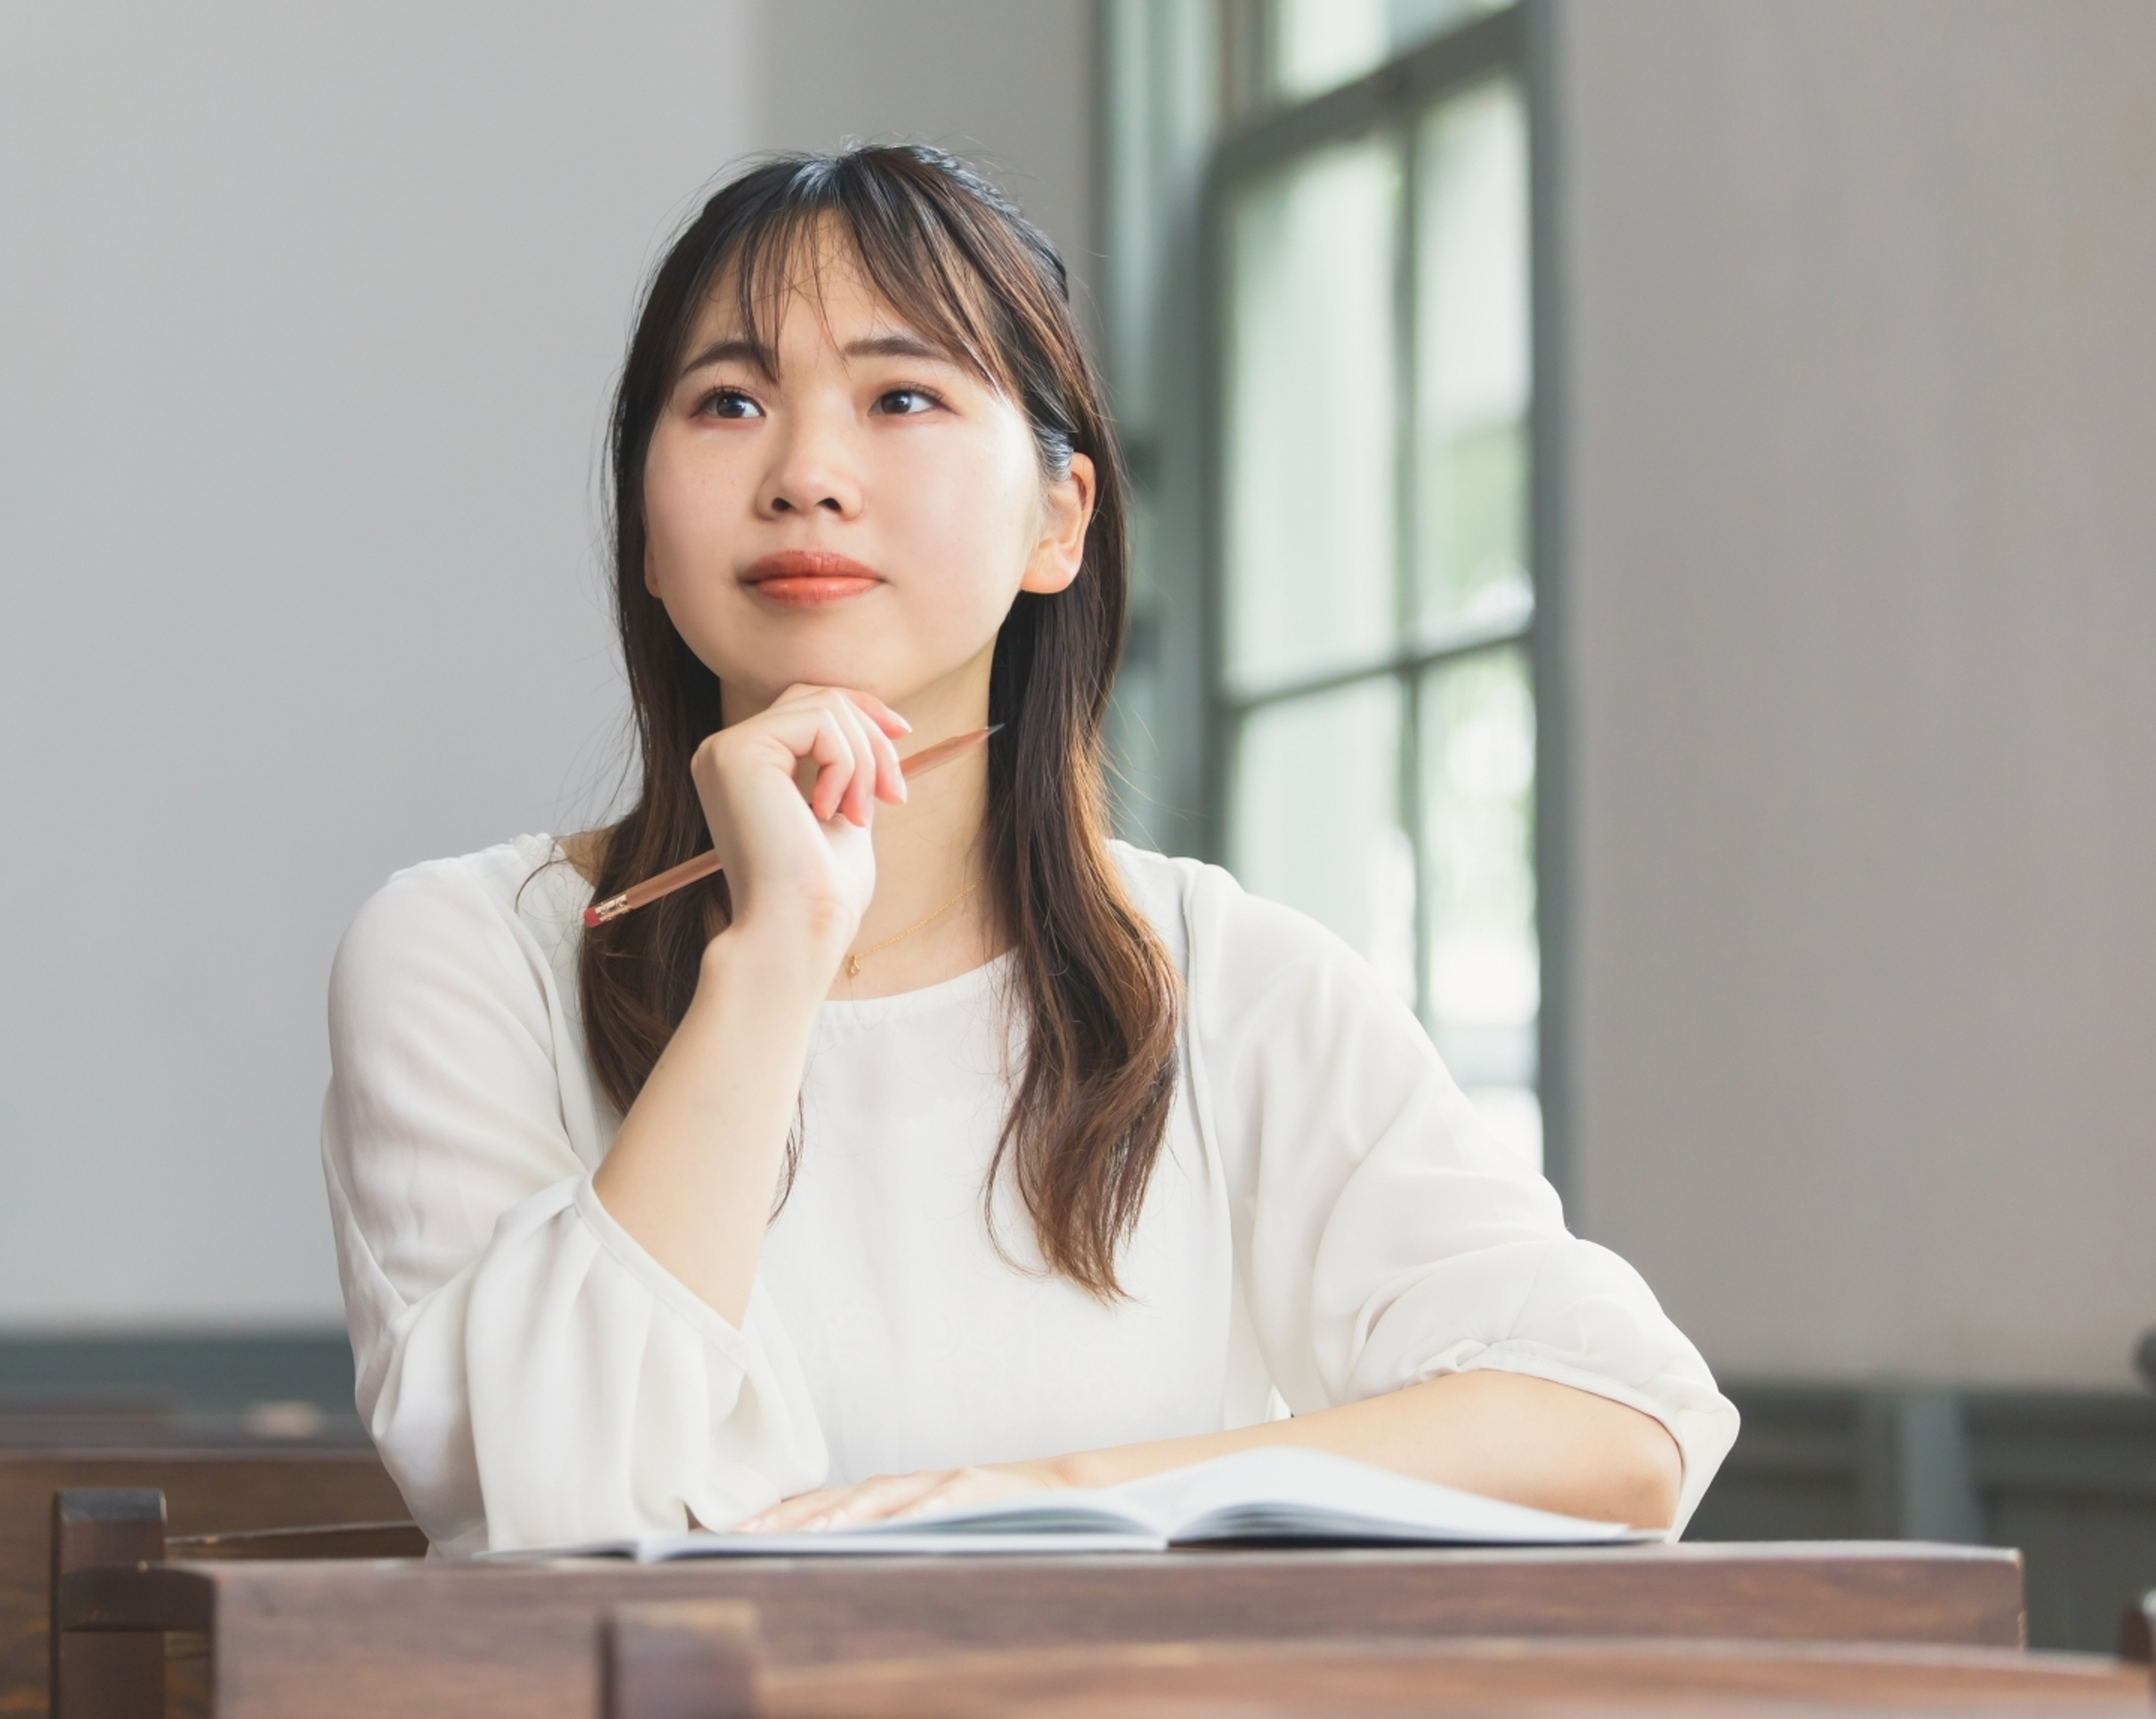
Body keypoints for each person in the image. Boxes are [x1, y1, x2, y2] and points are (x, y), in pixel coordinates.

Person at [319, 146, 1735, 1558]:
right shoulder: (469, 954)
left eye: (904, 398)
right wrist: (776, 950)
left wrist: (1059, 1497)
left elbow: (1618, 1427)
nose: (807, 474)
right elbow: (547, 1502)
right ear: (645, 523)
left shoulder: (1226, 980)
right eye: (730, 402)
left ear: (1059, 518)